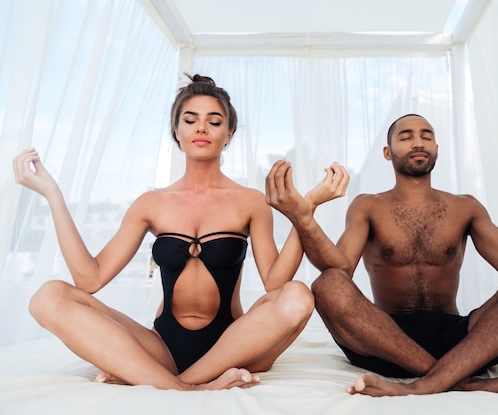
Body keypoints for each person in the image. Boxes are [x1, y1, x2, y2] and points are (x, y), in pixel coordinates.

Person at [13, 74, 349, 391]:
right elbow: (89, 280)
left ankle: (167, 382)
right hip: (162, 347)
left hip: (234, 345)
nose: (201, 127)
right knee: (48, 296)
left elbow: (276, 284)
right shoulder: (151, 203)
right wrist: (52, 195)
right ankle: (186, 387)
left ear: (229, 134)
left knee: (298, 295)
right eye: (190, 120)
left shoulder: (250, 201)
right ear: (176, 130)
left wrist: (305, 209)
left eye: (214, 121)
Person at [265, 113, 498, 396]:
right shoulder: (368, 205)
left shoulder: (465, 207)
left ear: (436, 148)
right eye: (405, 136)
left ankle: (426, 383)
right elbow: (338, 267)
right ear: (388, 153)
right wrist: (302, 216)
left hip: (461, 340)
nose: (418, 141)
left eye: (426, 135)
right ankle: (464, 383)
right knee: (328, 284)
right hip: (383, 341)